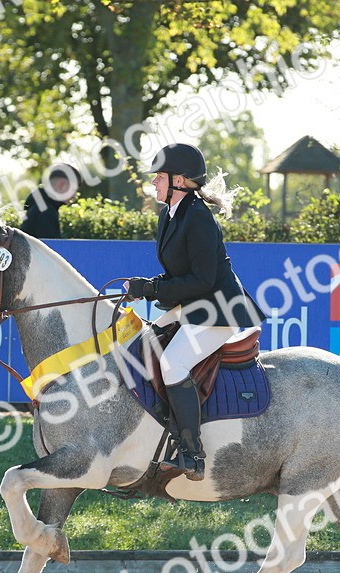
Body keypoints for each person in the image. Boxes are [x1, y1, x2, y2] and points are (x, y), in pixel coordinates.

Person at [124, 143, 266, 482]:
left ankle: (192, 454)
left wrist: (154, 290)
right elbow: (178, 276)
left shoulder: (199, 216)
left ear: (181, 181)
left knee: (173, 364)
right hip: (194, 306)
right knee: (141, 344)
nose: (154, 183)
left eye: (160, 177)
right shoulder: (169, 215)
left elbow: (202, 279)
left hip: (219, 309)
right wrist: (148, 286)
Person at [20, 163, 80, 239]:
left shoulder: (40, 208)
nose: (74, 195)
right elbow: (51, 248)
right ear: (61, 185)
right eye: (74, 189)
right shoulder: (46, 212)